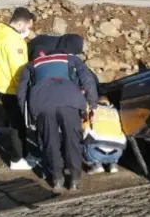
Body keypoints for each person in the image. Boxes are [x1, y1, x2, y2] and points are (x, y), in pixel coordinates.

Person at [18, 34, 98, 192]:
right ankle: (74, 178)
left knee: (50, 141)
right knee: (72, 140)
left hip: (42, 104)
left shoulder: (31, 65)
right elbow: (88, 80)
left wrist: (27, 117)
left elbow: (22, 92)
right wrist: (92, 103)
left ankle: (57, 179)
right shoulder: (71, 60)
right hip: (69, 101)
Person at [0, 7, 37, 170]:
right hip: (14, 89)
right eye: (28, 27)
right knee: (18, 125)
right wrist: (26, 88)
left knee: (13, 120)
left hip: (2, 84)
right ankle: (17, 159)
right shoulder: (14, 41)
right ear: (20, 23)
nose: (28, 31)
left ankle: (17, 154)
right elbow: (19, 70)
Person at [82, 96, 127, 174]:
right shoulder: (115, 111)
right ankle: (113, 164)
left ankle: (96, 164)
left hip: (96, 152)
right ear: (108, 102)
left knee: (81, 139)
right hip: (117, 152)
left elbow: (84, 126)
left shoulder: (91, 109)